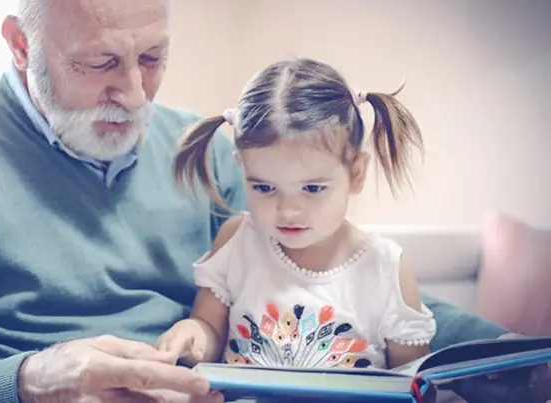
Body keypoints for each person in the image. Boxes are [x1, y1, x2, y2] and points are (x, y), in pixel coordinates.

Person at [0, 0, 547, 402]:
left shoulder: (206, 149)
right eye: (100, 63)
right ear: (21, 46)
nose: (134, 93)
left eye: (154, 57)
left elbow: (349, 278)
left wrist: (514, 357)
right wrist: (32, 377)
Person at [156, 58, 436, 371]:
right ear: (243, 168)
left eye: (313, 189)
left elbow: (412, 380)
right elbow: (208, 326)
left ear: (356, 173)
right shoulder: (238, 241)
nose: (287, 210)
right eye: (264, 187)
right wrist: (192, 334)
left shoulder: (384, 268)